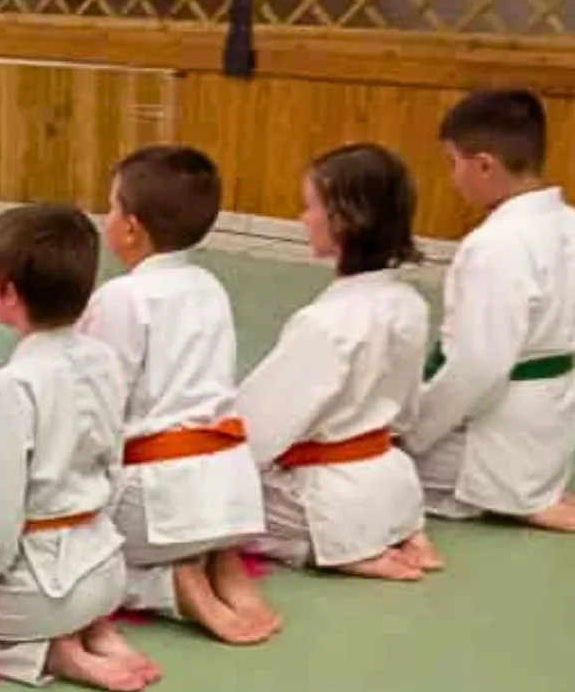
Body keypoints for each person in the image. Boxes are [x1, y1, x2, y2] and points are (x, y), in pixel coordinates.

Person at [0, 205, 150, 692]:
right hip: (107, 569)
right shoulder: (104, 360)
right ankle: (93, 628)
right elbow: (114, 471)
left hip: (40, 591)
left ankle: (52, 650)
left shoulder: (5, 391)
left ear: (6, 293)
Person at [80, 145, 280, 645]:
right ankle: (221, 562)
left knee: (70, 565)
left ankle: (172, 583)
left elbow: (100, 404)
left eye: (111, 207)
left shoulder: (121, 298)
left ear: (130, 228)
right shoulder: (210, 286)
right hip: (231, 490)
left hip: (158, 504)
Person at [238, 144, 442, 579]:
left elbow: (258, 433)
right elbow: (406, 413)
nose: (302, 218)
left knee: (199, 506)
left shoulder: (324, 323)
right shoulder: (409, 303)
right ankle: (404, 533)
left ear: (346, 221)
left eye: (310, 206)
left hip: (332, 497)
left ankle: (342, 548)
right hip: (393, 480)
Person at [407, 90, 575, 531]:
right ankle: (533, 492)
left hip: (489, 448)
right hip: (548, 434)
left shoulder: (496, 244)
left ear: (484, 164)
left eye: (452, 163)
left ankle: (518, 498)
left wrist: (413, 433)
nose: (452, 178)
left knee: (365, 468)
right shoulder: (567, 224)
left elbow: (477, 367)